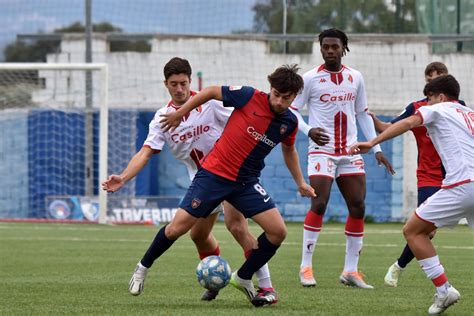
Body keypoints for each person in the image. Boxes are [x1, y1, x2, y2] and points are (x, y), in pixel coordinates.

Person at [128, 64, 315, 307]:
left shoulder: (289, 122)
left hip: (246, 183)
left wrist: (300, 182)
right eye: (276, 94)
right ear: (270, 88)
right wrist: (178, 113)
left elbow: (289, 150)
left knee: (277, 231)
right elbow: (211, 91)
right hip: (213, 176)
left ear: (294, 98)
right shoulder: (248, 96)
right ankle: (142, 268)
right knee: (178, 229)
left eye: (286, 98)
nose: (279, 101)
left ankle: (244, 277)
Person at [102, 57, 279, 303]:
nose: (179, 89)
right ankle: (213, 280)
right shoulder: (162, 118)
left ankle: (264, 286)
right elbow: (145, 153)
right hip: (203, 182)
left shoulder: (210, 105)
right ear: (166, 84)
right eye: (174, 84)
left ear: (190, 81)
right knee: (197, 235)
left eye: (183, 83)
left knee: (237, 226)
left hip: (231, 174)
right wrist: (123, 176)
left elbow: (243, 121)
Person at [350, 74, 473, 315]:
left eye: (428, 99)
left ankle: (443, 289)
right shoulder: (469, 115)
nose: (425, 104)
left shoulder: (438, 109)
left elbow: (407, 123)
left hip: (462, 185)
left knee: (412, 231)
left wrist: (372, 142)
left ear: (440, 97)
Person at [290, 28, 394, 289]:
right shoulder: (310, 79)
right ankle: (305, 266)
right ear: (321, 48)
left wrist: (376, 148)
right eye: (325, 47)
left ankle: (351, 271)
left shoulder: (355, 77)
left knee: (358, 206)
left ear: (343, 47)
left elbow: (362, 113)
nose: (330, 51)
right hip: (321, 152)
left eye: (335, 47)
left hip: (350, 151)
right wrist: (308, 131)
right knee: (319, 204)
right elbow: (292, 111)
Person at [371, 62, 466, 287]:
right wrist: (372, 121)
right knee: (425, 230)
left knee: (420, 230)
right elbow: (389, 127)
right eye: (430, 77)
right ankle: (402, 268)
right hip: (429, 176)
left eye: (439, 76)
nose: (433, 80)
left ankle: (404, 268)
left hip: (456, 175)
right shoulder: (419, 107)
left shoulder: (458, 107)